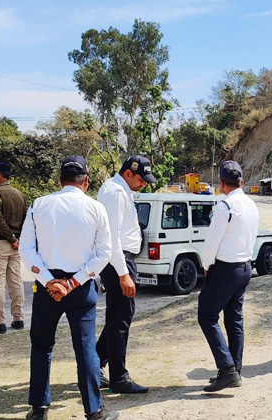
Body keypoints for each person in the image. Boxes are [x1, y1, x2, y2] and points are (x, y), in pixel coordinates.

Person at [19, 156, 118, 420]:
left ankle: (39, 409)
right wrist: (74, 281)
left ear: (59, 180)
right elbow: (104, 252)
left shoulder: (39, 205)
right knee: (85, 349)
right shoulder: (96, 208)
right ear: (86, 182)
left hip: (47, 288)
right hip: (81, 287)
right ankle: (94, 411)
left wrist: (48, 280)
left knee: (42, 346)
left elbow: (26, 248)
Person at [95, 155, 156, 394]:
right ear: (128, 173)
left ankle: (95, 364)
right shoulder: (116, 193)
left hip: (119, 261)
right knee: (120, 319)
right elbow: (112, 238)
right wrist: (123, 274)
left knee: (118, 317)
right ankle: (118, 378)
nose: (144, 184)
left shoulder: (118, 189)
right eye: (141, 179)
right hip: (119, 261)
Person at [198, 160, 259, 392]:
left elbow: (211, 242)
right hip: (244, 266)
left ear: (222, 184)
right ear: (241, 182)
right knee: (234, 318)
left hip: (225, 268)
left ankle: (227, 369)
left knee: (207, 316)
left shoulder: (225, 206)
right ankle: (235, 369)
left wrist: (207, 266)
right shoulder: (251, 205)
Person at [0, 162, 27, 334]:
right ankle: (18, 318)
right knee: (15, 282)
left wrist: (11, 238)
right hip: (16, 245)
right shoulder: (18, 194)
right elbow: (25, 219)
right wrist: (18, 239)